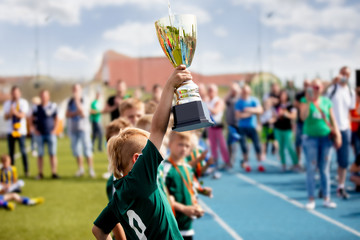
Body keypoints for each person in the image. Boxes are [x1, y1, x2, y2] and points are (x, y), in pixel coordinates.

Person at [92, 65, 191, 240]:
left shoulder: (119, 196)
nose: (157, 151)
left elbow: (98, 230)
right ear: (138, 159)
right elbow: (158, 129)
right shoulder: (141, 177)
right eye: (149, 150)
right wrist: (169, 85)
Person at [162, 131, 212, 240]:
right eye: (180, 144)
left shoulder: (187, 168)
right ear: (170, 144)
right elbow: (162, 197)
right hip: (171, 225)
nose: (184, 148)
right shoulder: (165, 169)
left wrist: (198, 203)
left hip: (187, 225)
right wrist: (184, 209)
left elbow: (191, 189)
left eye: (187, 146)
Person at [300, 79, 341, 210]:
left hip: (326, 138)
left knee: (325, 169)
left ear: (322, 88)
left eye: (318, 87)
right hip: (310, 139)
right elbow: (303, 117)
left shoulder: (327, 101)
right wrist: (307, 101)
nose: (316, 89)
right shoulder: (305, 101)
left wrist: (338, 134)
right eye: (314, 87)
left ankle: (326, 198)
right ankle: (311, 199)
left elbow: (332, 119)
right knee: (311, 169)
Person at [326, 66, 355, 199]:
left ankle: (341, 187)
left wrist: (348, 126)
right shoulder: (332, 89)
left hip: (344, 129)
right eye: (343, 73)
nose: (345, 76)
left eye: (347, 74)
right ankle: (324, 186)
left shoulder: (351, 92)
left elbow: (350, 110)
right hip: (331, 128)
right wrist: (332, 82)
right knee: (326, 158)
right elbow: (322, 102)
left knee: (343, 161)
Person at [66, 84, 95, 178]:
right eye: (74, 89)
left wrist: (77, 101)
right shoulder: (70, 101)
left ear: (81, 90)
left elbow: (83, 113)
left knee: (87, 149)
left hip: (84, 128)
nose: (75, 91)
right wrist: (75, 113)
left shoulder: (84, 99)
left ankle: (91, 169)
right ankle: (81, 169)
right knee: (76, 150)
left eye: (77, 90)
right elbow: (67, 114)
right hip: (73, 129)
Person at [30, 90, 59, 179]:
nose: (44, 97)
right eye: (42, 96)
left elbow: (57, 118)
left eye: (45, 96)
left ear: (48, 96)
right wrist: (34, 129)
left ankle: (54, 173)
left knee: (52, 154)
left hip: (50, 133)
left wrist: (55, 129)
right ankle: (40, 173)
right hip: (39, 134)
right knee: (40, 154)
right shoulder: (36, 107)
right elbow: (30, 118)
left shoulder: (53, 106)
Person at [235, 85, 264, 172]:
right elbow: (238, 115)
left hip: (253, 127)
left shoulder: (254, 100)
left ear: (249, 92)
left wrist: (249, 110)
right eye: (244, 91)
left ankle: (260, 164)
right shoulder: (239, 102)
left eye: (247, 91)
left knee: (257, 145)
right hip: (242, 127)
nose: (245, 93)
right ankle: (247, 164)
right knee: (244, 146)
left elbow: (260, 110)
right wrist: (250, 113)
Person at [3, 86, 29, 176]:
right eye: (14, 93)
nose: (15, 95)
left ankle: (26, 170)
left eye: (17, 93)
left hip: (21, 131)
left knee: (23, 151)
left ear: (20, 93)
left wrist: (15, 113)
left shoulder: (23, 102)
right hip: (11, 131)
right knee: (11, 152)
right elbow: (5, 117)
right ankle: (11, 171)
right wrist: (10, 113)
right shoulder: (7, 103)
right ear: (11, 94)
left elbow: (23, 115)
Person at [273, 90, 299, 171]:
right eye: (281, 95)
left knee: (289, 146)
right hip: (278, 129)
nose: (283, 96)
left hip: (287, 129)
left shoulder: (291, 106)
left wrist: (285, 114)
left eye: (284, 95)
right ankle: (283, 164)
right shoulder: (276, 106)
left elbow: (294, 116)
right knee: (280, 148)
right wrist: (277, 115)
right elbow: (273, 116)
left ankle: (296, 163)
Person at [207, 84, 231, 169]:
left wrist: (207, 107)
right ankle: (215, 162)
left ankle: (226, 162)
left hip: (218, 126)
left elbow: (216, 111)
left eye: (212, 90)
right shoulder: (208, 101)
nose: (210, 92)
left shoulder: (218, 101)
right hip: (210, 126)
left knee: (222, 145)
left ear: (216, 92)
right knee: (212, 146)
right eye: (209, 90)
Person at [294, 79, 311, 167]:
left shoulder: (313, 95)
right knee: (298, 142)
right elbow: (296, 104)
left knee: (310, 143)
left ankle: (310, 161)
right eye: (305, 84)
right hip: (301, 122)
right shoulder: (299, 94)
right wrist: (303, 105)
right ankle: (299, 160)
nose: (307, 86)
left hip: (310, 123)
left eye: (308, 84)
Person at [224, 82, 241, 166]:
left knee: (242, 142)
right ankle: (231, 160)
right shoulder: (230, 98)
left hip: (240, 124)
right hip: (231, 124)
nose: (233, 91)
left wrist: (238, 91)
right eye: (232, 89)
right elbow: (224, 100)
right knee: (230, 143)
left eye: (235, 89)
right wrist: (230, 91)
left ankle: (245, 160)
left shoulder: (240, 98)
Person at [350, 87, 360, 161]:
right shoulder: (352, 104)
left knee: (357, 151)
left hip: (357, 132)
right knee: (355, 150)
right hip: (351, 130)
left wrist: (352, 119)